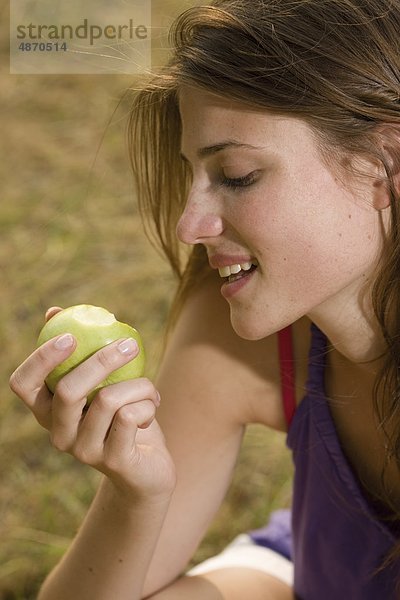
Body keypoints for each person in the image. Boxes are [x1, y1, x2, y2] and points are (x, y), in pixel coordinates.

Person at [9, 0, 400, 597]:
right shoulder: (240, 323)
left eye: (237, 175)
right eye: (191, 172)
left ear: (382, 164)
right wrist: (136, 492)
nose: (189, 225)